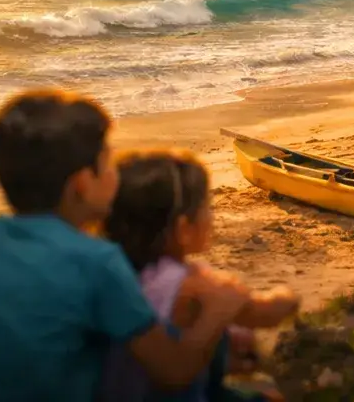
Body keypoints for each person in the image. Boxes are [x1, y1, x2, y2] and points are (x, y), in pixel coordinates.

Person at [0, 90, 250, 401]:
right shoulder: (96, 261)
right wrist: (218, 312)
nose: (115, 173)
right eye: (107, 163)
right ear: (81, 185)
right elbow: (172, 371)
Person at [100, 150, 299, 401]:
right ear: (184, 230)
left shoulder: (112, 273)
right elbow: (266, 313)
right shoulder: (189, 284)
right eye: (207, 208)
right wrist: (288, 297)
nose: (211, 217)